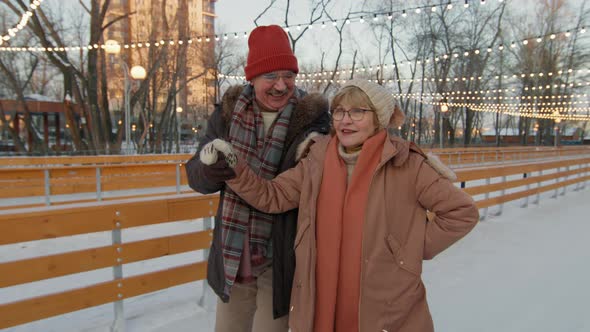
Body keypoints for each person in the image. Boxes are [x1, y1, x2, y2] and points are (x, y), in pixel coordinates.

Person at [200, 79, 479, 332]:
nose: (346, 120)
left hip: (384, 303)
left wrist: (406, 249)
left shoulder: (407, 164)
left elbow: (461, 212)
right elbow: (272, 195)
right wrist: (233, 167)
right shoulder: (316, 160)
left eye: (358, 112)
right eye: (339, 111)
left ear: (379, 118)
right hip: (322, 300)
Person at [185, 25, 330, 332]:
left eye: (288, 76)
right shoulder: (226, 115)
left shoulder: (311, 120)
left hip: (281, 255)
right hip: (233, 252)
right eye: (271, 77)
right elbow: (195, 175)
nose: (281, 85)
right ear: (252, 77)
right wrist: (210, 170)